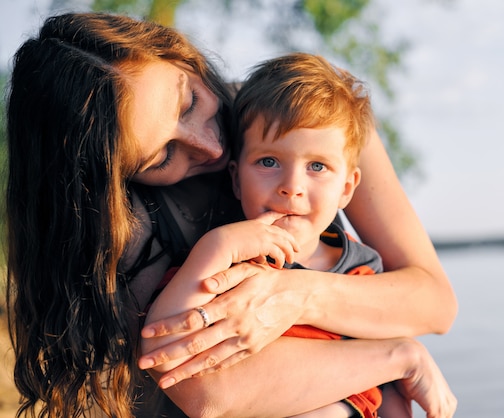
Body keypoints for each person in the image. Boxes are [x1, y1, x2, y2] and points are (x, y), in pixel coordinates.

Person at [5, 12, 458, 418]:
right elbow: (206, 391)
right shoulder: (125, 223)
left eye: (189, 104)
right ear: (112, 177)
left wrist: (294, 295)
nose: (212, 146)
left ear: (181, 57)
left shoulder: (303, 112)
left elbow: (434, 303)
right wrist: (398, 356)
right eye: (162, 156)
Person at [142, 53, 454, 417]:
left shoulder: (362, 271)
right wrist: (218, 246)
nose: (292, 186)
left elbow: (392, 389)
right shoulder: (233, 258)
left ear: (347, 188)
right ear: (235, 178)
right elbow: (161, 347)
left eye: (317, 166)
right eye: (269, 162)